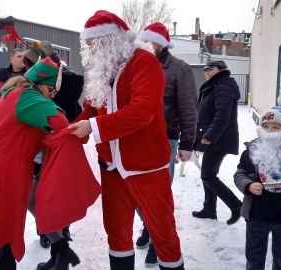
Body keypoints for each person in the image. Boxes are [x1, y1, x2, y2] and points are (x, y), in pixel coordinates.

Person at [0, 57, 100, 270]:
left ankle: (59, 250)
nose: (52, 96)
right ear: (41, 84)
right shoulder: (28, 98)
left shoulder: (14, 94)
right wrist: (86, 128)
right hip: (0, 173)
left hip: (0, 169)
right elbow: (59, 122)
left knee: (4, 237)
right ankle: (59, 250)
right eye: (52, 91)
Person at [68, 10, 184, 270]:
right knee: (117, 232)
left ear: (111, 40)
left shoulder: (145, 63)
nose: (92, 52)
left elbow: (142, 112)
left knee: (162, 231)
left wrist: (93, 127)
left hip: (147, 167)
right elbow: (91, 108)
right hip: (110, 166)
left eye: (94, 45)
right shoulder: (102, 70)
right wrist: (71, 129)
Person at [136, 21, 198, 266]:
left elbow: (188, 108)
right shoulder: (137, 65)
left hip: (166, 139)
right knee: (137, 194)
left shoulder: (178, 69)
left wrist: (187, 142)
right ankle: (149, 227)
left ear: (161, 43)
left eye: (152, 41)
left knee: (157, 196)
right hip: (137, 139)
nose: (148, 46)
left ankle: (155, 241)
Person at [23, 40, 84, 253]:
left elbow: (74, 87)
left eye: (32, 63)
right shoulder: (28, 84)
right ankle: (45, 231)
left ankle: (62, 229)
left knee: (58, 190)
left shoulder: (66, 79)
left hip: (60, 142)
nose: (29, 68)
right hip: (39, 144)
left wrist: (54, 66)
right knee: (39, 193)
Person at [234, 104, 281, 270]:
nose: (269, 131)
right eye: (265, 126)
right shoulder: (251, 151)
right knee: (254, 258)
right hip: (257, 216)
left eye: (275, 127)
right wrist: (248, 185)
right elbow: (239, 174)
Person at [192, 59, 243, 225]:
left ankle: (236, 206)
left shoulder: (223, 86)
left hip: (219, 138)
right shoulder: (215, 86)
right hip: (215, 137)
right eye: (205, 70)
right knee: (209, 174)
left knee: (207, 175)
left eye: (210, 69)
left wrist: (210, 135)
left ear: (221, 70)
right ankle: (209, 209)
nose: (206, 72)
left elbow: (222, 115)